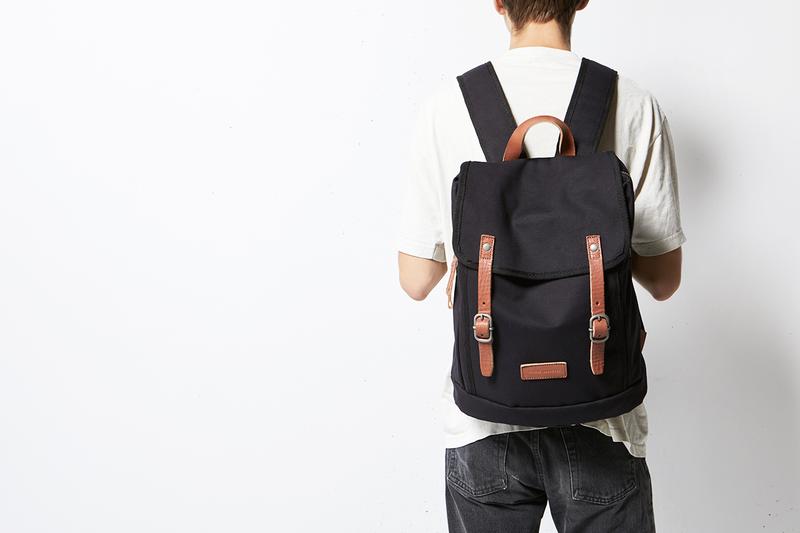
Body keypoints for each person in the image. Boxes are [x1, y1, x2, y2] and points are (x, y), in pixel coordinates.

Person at [396, 1, 685, 531]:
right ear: (582, 0)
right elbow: (664, 280)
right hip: (601, 411)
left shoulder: (446, 106)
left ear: (498, 3)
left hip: (484, 415)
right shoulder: (633, 103)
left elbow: (416, 281)